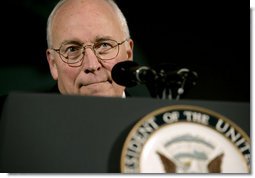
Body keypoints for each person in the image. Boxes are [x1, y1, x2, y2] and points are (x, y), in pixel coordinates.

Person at [46, 0, 134, 97]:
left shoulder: (152, 110)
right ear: (53, 64)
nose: (92, 65)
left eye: (105, 45)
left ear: (128, 54)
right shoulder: (33, 112)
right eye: (72, 49)